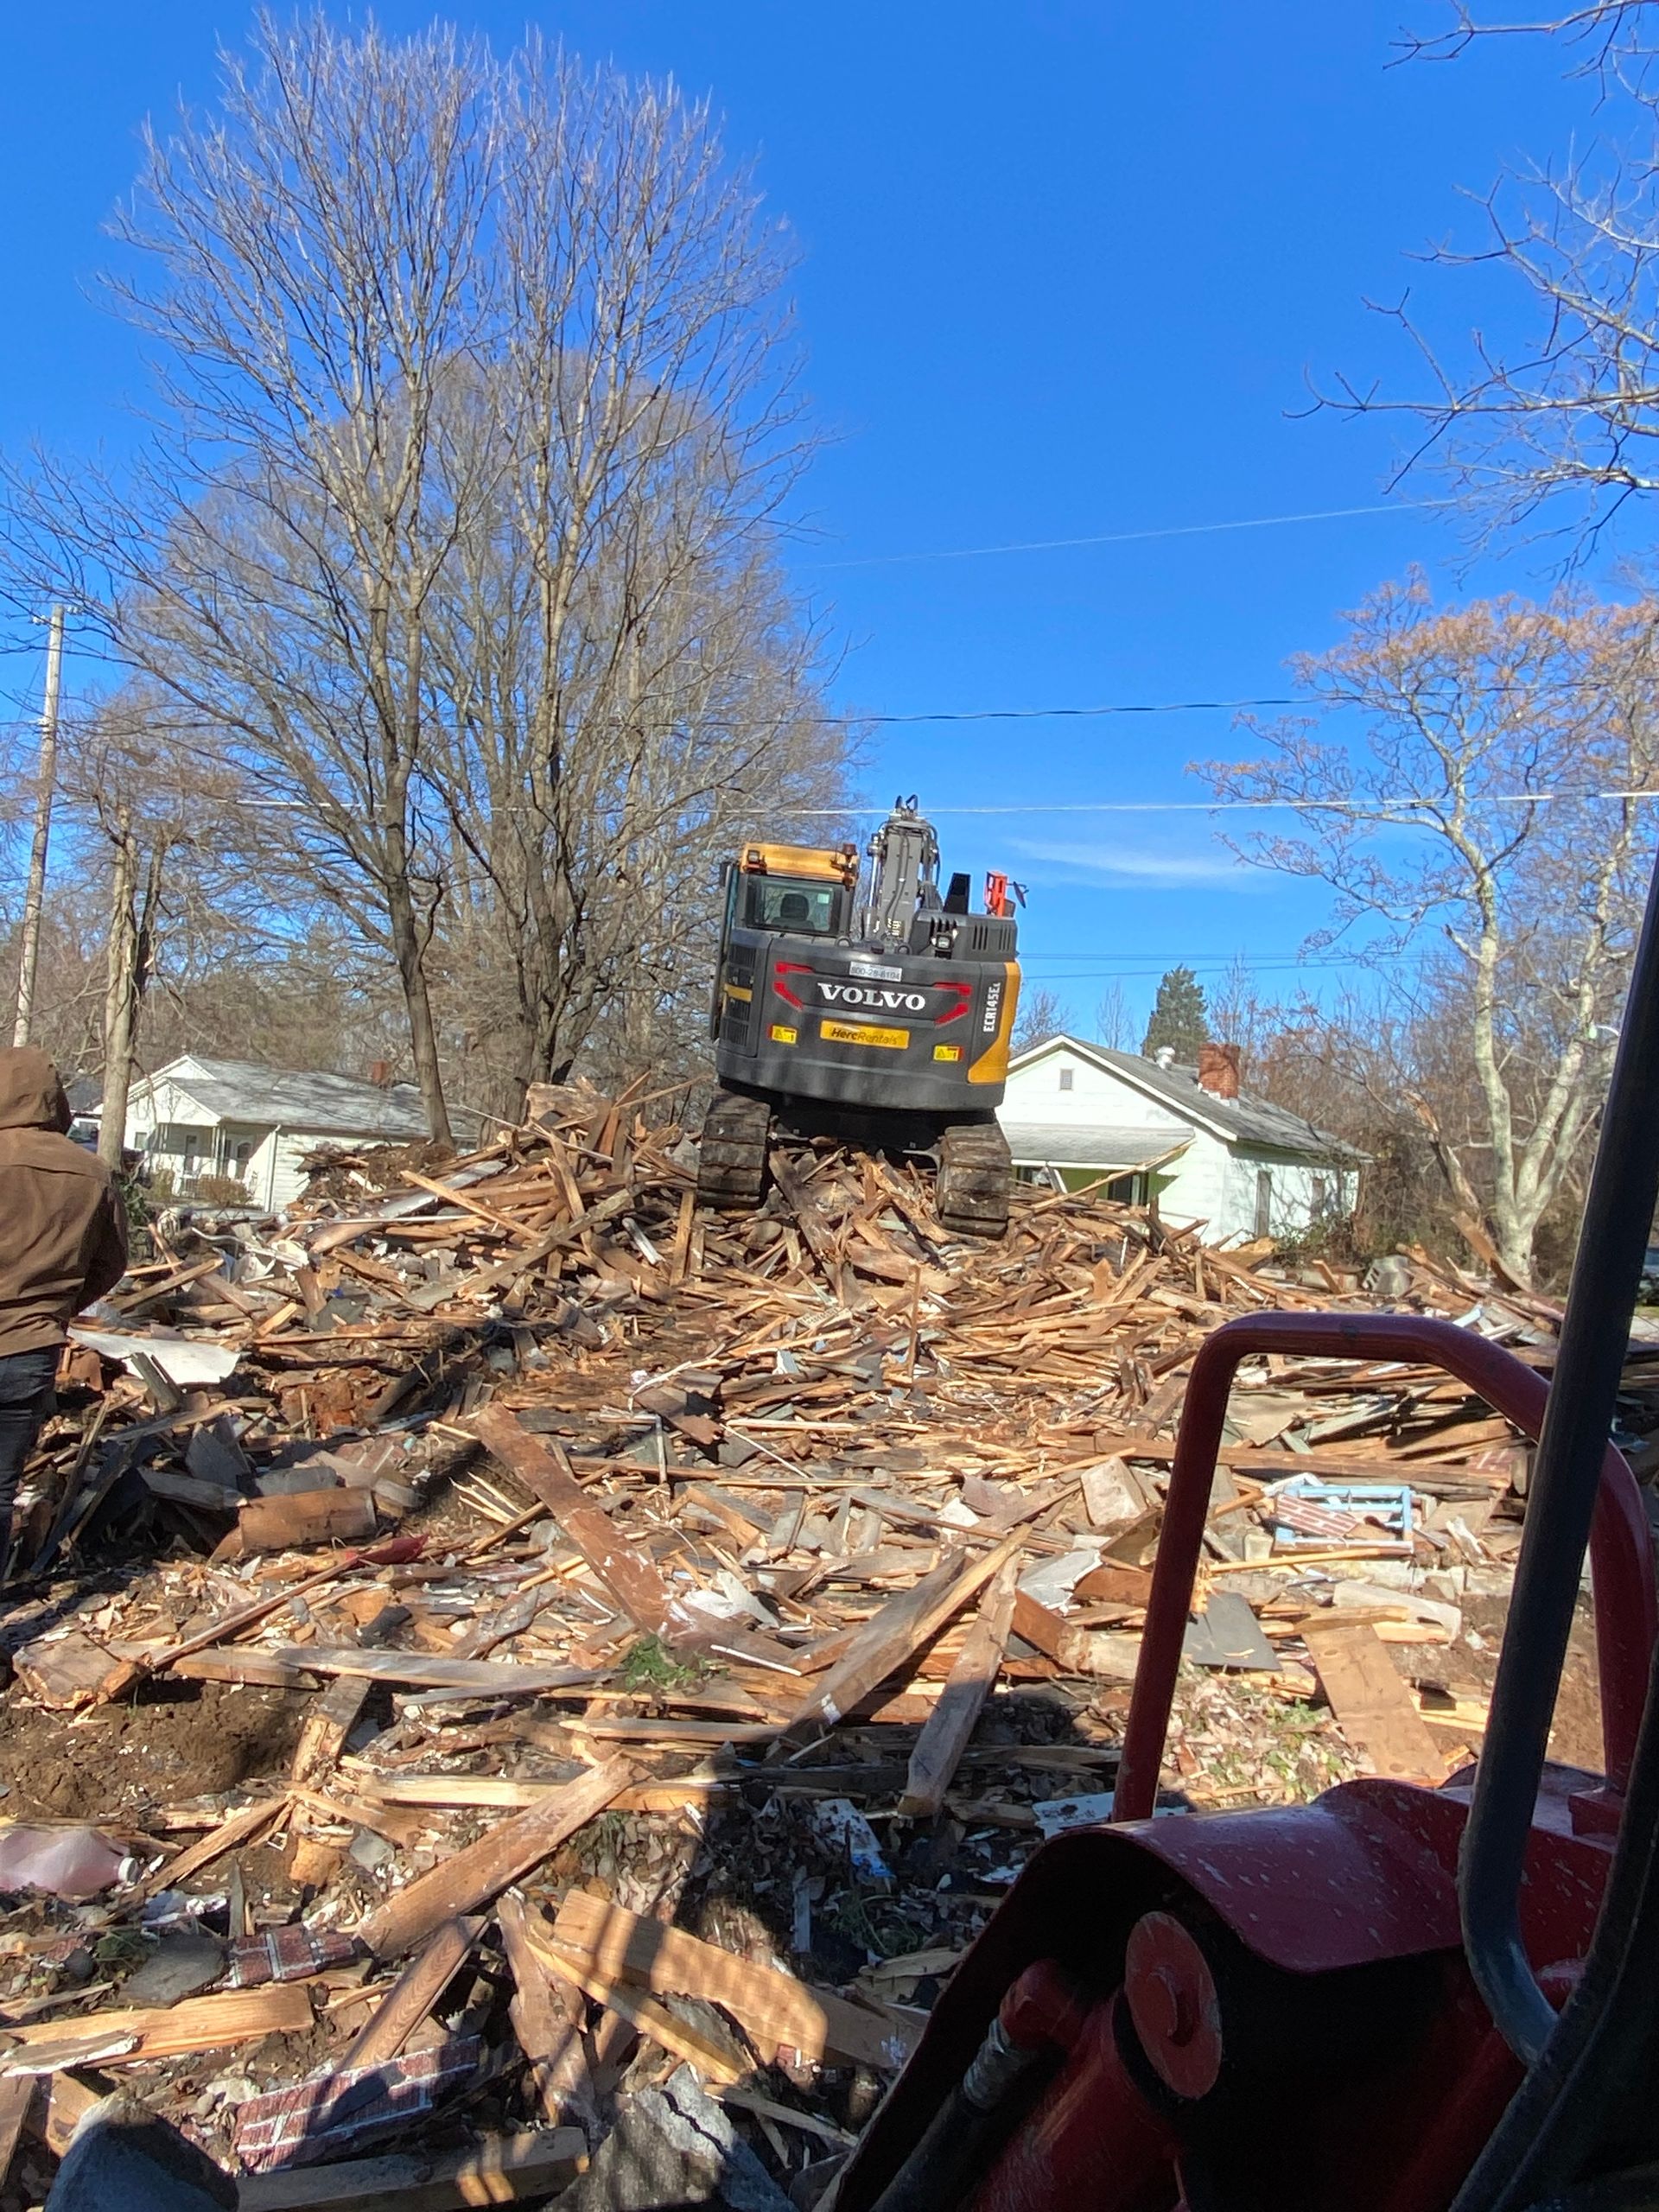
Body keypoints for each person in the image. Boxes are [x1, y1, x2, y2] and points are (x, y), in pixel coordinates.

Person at [0, 1048, 128, 1580]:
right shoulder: (91, 1172)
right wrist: (54, 1310)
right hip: (29, 1348)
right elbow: (111, 1263)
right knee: (1, 1489)